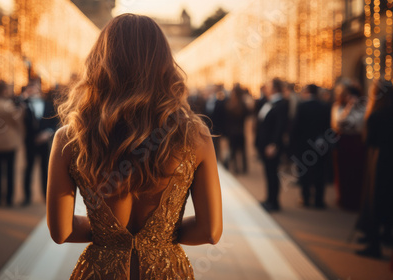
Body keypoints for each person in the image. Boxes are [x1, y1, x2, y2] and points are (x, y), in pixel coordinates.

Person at [46, 14, 223, 280]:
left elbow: (61, 232)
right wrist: (161, 236)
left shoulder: (71, 138)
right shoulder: (195, 136)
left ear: (100, 63)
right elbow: (210, 231)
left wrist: (108, 234)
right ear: (164, 65)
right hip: (166, 271)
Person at [356, 80, 393, 259]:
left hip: (379, 161)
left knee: (375, 202)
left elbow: (369, 141)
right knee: (388, 201)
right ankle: (386, 235)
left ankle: (374, 245)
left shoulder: (376, 115)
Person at [0, 81, 24, 207]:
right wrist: (21, 111)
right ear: (4, 90)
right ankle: (8, 199)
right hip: (9, 141)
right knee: (10, 171)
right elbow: (17, 121)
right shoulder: (8, 105)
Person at [290, 84, 331, 209]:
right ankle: (319, 200)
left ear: (307, 92)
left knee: (305, 172)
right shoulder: (324, 106)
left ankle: (306, 198)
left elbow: (296, 127)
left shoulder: (302, 106)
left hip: (304, 145)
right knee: (320, 172)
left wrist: (293, 145)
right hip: (320, 144)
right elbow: (328, 127)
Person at [331, 82, 366, 211]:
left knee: (357, 171)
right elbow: (337, 124)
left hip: (358, 142)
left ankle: (356, 200)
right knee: (343, 171)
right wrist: (349, 109)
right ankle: (344, 199)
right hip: (343, 142)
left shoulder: (363, 107)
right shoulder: (338, 107)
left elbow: (362, 124)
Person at [22, 80, 58, 206]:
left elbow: (55, 121)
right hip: (30, 142)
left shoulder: (49, 104)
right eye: (31, 88)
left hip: (44, 142)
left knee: (45, 169)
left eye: (36, 88)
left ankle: (46, 195)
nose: (34, 90)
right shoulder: (24, 104)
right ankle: (26, 197)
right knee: (28, 168)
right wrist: (24, 97)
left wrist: (47, 133)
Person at [255, 78, 289, 212]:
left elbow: (279, 127)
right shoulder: (269, 101)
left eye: (269, 86)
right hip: (264, 144)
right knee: (268, 173)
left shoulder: (282, 104)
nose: (266, 88)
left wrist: (274, 144)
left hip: (271, 145)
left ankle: (274, 202)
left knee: (273, 173)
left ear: (275, 88)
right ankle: (269, 199)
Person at [225, 84, 249, 174]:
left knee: (234, 150)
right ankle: (242, 168)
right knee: (241, 151)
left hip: (234, 131)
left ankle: (237, 168)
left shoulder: (230, 104)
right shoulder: (242, 104)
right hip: (240, 131)